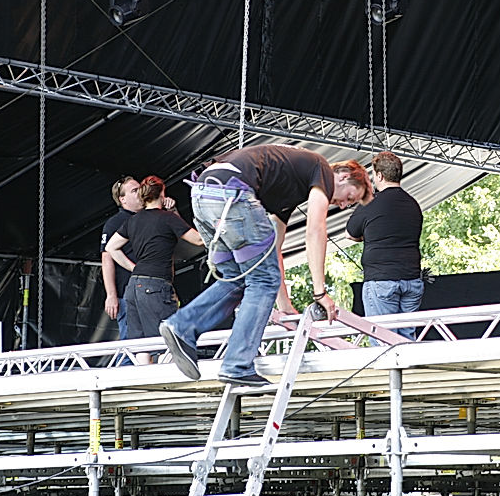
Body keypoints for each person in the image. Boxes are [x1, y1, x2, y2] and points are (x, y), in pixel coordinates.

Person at [159, 144, 371, 387]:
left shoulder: (288, 189)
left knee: (239, 278)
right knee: (262, 280)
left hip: (203, 196)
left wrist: (285, 307)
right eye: (350, 198)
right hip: (231, 193)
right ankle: (237, 364)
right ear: (342, 176)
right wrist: (320, 292)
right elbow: (315, 230)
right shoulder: (321, 167)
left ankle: (181, 326)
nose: (343, 205)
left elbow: (273, 250)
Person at [104, 176, 204, 363]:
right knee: (169, 338)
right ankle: (167, 378)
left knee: (142, 345)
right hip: (156, 286)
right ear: (162, 194)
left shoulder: (133, 220)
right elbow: (198, 240)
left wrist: (134, 268)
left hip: (133, 287)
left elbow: (111, 247)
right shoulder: (167, 218)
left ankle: (144, 379)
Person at [345, 151, 424, 341]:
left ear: (379, 175)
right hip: (412, 279)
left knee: (383, 340)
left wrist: (367, 236)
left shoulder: (370, 203)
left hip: (381, 281)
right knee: (407, 340)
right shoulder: (413, 204)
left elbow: (350, 233)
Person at [100, 176, 142, 340]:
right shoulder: (114, 223)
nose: (140, 193)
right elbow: (107, 259)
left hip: (150, 291)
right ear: (122, 199)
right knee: (132, 343)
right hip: (127, 292)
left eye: (140, 188)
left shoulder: (151, 216)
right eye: (134, 190)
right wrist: (111, 295)